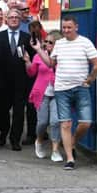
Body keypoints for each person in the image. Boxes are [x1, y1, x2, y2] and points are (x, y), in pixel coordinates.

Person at [33, 15, 97, 170]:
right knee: (65, 123)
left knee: (86, 123)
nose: (66, 30)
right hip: (61, 89)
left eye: (69, 27)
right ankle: (70, 159)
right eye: (64, 27)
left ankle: (71, 142)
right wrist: (38, 50)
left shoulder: (85, 43)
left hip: (81, 88)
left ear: (76, 27)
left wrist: (90, 79)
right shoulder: (59, 44)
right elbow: (51, 63)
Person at [0, 9, 34, 151]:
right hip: (2, 83)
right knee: (2, 112)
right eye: (11, 17)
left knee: (19, 112)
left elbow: (33, 59)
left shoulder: (27, 38)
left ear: (20, 19)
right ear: (6, 19)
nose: (14, 19)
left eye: (17, 17)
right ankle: (3, 133)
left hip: (20, 82)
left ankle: (15, 139)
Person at [24, 31, 63, 162]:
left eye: (50, 42)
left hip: (58, 94)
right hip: (42, 93)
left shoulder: (62, 57)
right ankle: (39, 140)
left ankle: (55, 150)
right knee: (42, 122)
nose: (46, 44)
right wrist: (28, 62)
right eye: (45, 41)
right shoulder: (39, 56)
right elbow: (31, 73)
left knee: (55, 122)